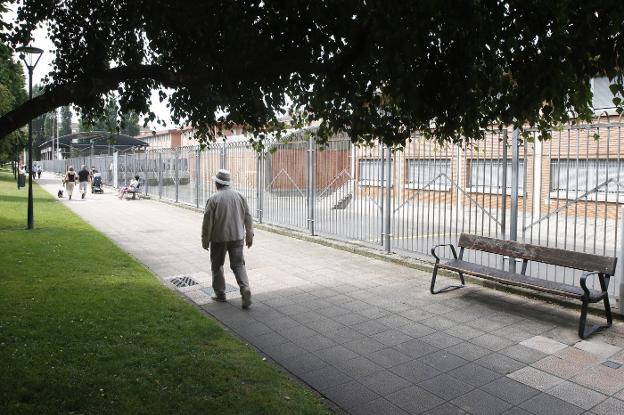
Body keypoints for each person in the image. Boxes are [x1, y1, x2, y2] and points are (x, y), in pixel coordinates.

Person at [201, 169, 253, 308]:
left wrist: (205, 240)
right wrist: (249, 235)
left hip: (218, 238)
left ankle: (220, 294)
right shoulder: (240, 196)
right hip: (237, 236)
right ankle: (245, 288)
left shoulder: (213, 199)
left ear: (217, 183)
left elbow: (207, 222)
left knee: (217, 266)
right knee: (239, 265)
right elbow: (248, 217)